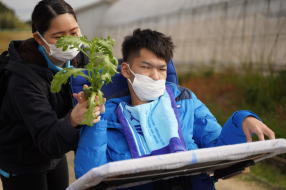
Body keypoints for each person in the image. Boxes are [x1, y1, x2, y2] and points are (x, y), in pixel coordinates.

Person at [74, 28, 276, 190]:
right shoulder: (107, 114)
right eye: (146, 67)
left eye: (161, 68)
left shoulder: (185, 101)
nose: (155, 76)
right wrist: (96, 120)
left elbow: (219, 149)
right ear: (126, 70)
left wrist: (242, 120)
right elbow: (88, 176)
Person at [0, 0, 103, 190]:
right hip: (20, 159)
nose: (71, 42)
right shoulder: (23, 79)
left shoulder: (80, 59)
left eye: (74, 32)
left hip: (54, 153)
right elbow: (47, 139)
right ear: (39, 39)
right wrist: (73, 119)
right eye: (59, 36)